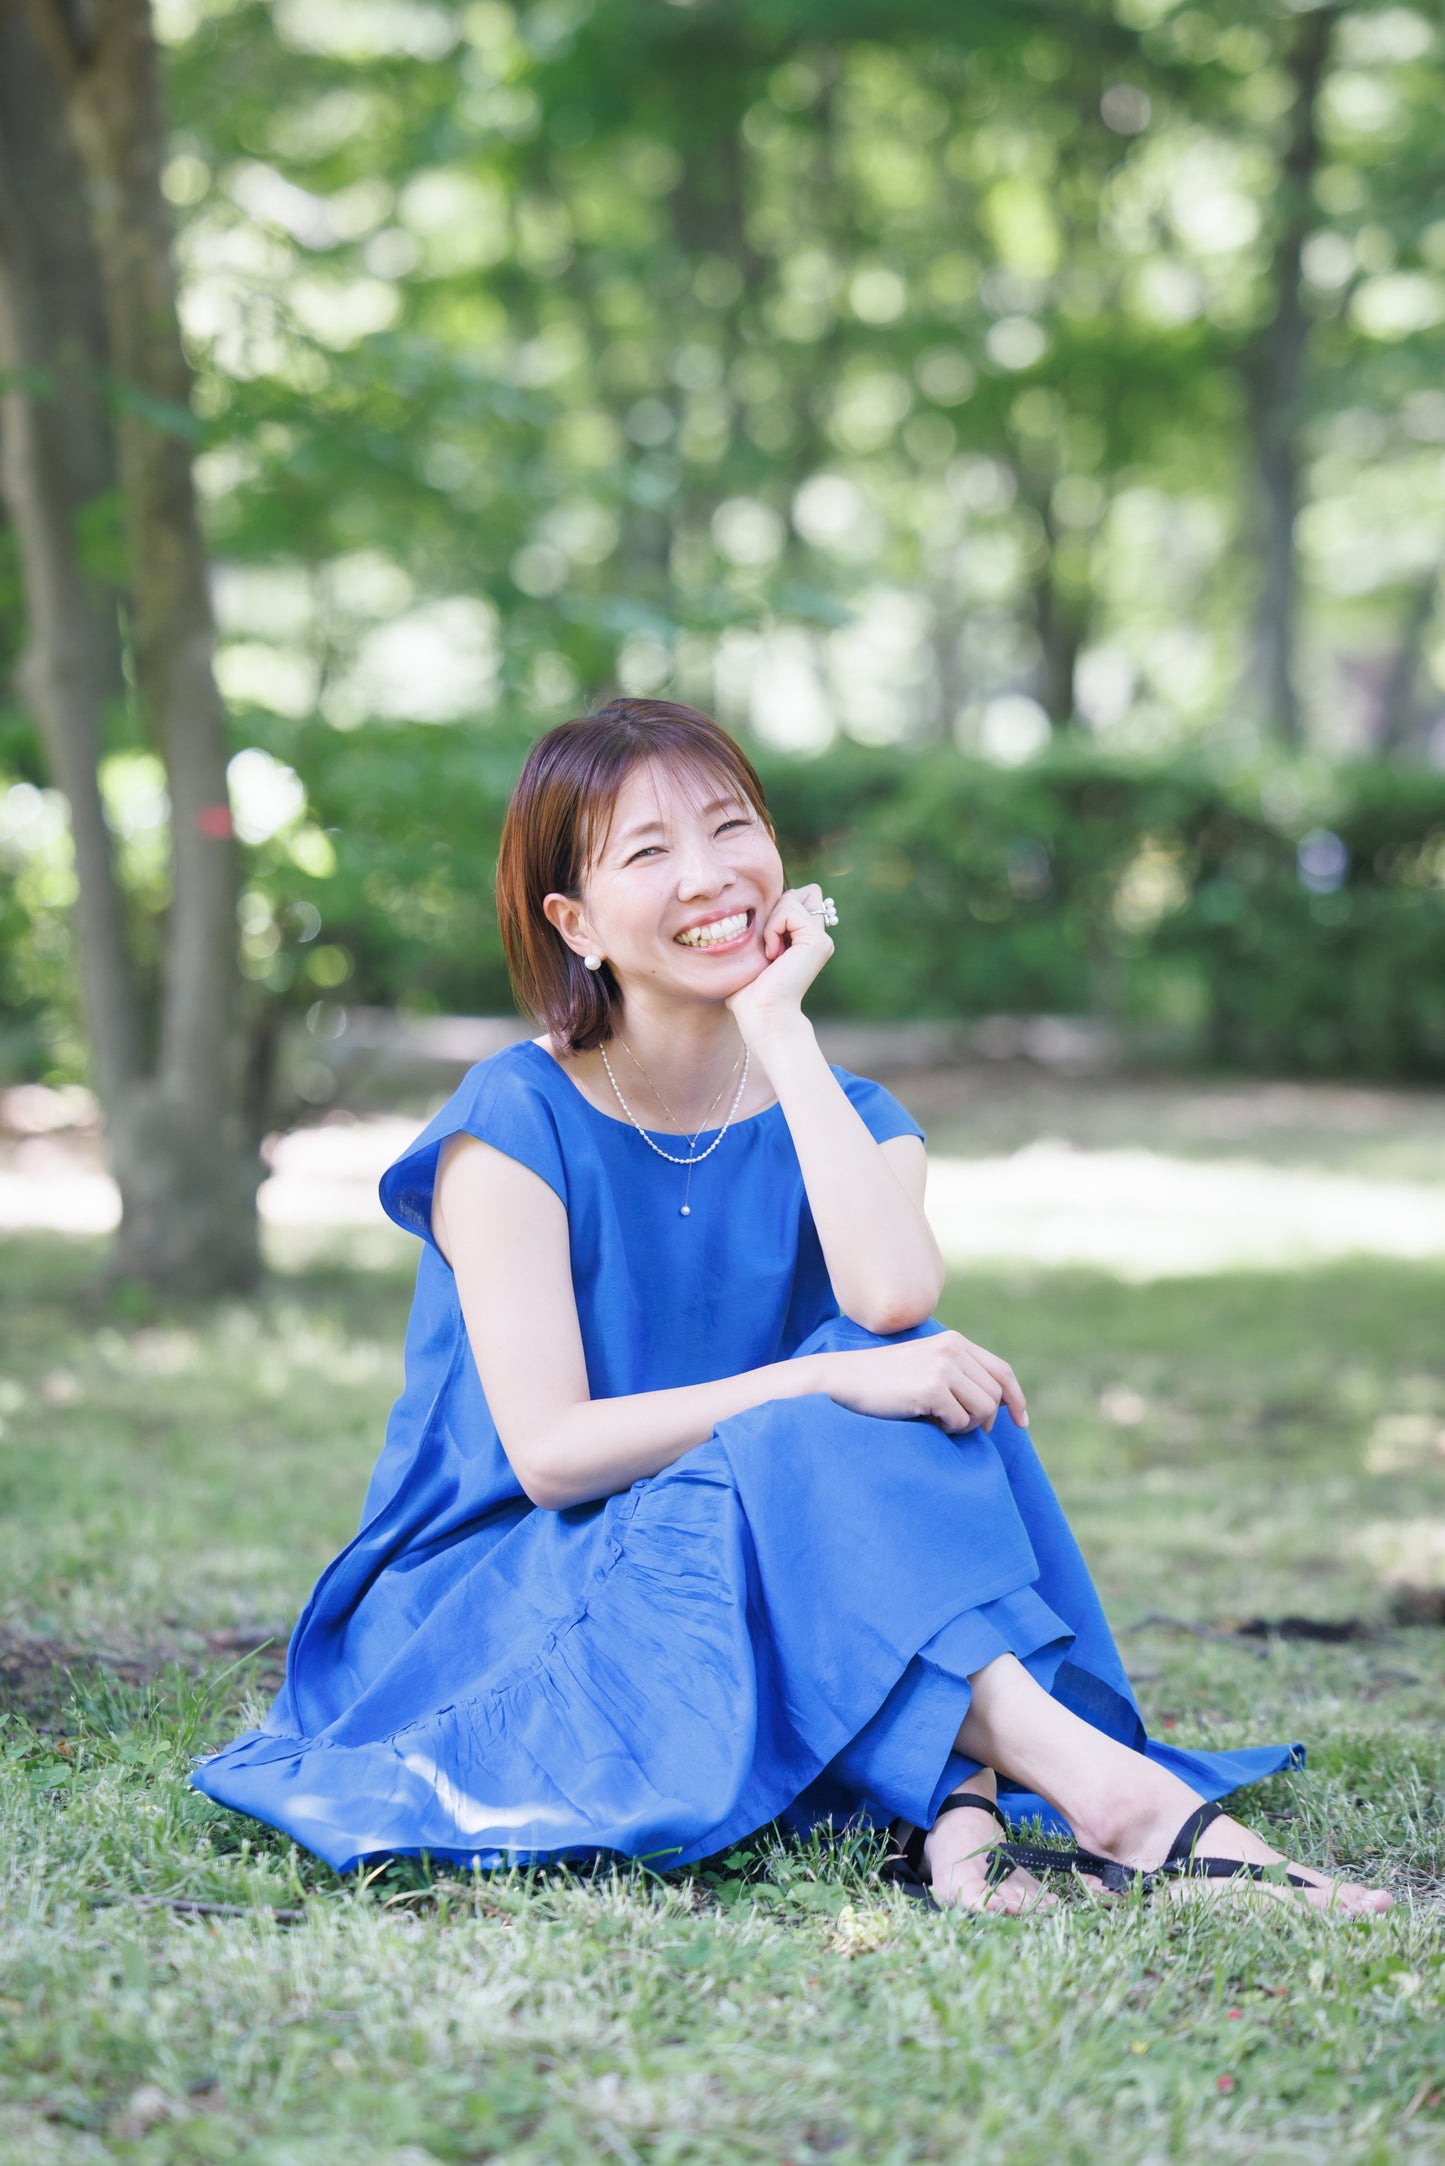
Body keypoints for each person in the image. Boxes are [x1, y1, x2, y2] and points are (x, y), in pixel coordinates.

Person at [192, 699, 1391, 1917]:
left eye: (730, 829)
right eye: (646, 852)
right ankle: (1104, 1804)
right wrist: (819, 1381)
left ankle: (965, 1807)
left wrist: (779, 1024)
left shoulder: (846, 1112)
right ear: (575, 921)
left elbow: (891, 1297)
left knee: (906, 1362)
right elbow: (550, 1458)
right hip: (513, 1593)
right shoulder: (510, 1125)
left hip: (763, 1560)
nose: (706, 875)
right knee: (842, 1398)